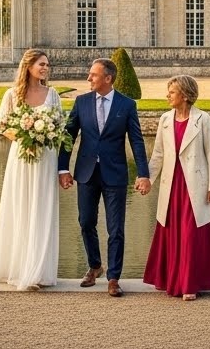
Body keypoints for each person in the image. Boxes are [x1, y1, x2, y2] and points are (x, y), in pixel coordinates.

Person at [58, 57, 150, 297]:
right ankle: (95, 265)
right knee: (86, 222)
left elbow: (136, 141)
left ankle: (114, 278)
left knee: (115, 228)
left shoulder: (127, 105)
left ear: (108, 78)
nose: (88, 78)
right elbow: (68, 137)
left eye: (94, 74)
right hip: (86, 172)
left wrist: (143, 173)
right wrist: (63, 169)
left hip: (115, 174)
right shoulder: (81, 102)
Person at [0, 48, 63, 290]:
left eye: (47, 65)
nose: (45, 68)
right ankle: (20, 269)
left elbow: (60, 125)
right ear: (28, 66)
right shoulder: (12, 94)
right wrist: (24, 138)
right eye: (41, 64)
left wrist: (44, 135)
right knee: (21, 207)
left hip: (46, 159)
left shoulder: (52, 94)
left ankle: (39, 271)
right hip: (22, 158)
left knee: (42, 209)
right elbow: (1, 124)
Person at [142, 75, 210, 300]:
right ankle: (172, 280)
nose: (167, 96)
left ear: (185, 95)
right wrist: (147, 179)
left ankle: (189, 285)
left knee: (190, 235)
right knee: (172, 232)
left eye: (172, 92)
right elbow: (158, 154)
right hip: (171, 185)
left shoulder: (203, 119)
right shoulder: (165, 119)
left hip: (194, 186)